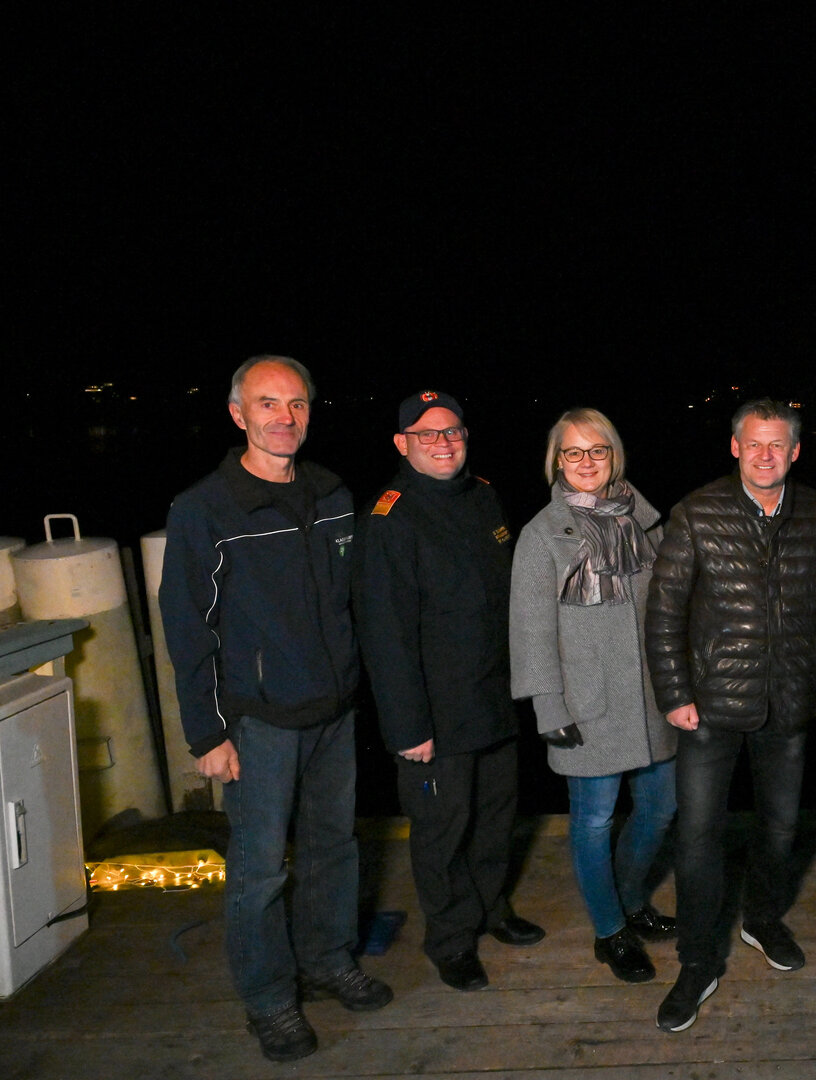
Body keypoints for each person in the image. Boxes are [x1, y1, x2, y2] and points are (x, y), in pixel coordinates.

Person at [160, 356, 392, 1063]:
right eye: (267, 404)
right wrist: (206, 731)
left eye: (295, 404)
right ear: (238, 415)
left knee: (334, 847)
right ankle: (269, 999)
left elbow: (353, 599)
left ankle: (326, 957)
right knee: (259, 870)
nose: (283, 417)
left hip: (332, 710)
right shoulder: (204, 509)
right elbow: (186, 624)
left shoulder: (331, 493)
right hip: (257, 721)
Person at [645, 398, 816, 1033]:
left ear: (795, 451)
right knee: (699, 836)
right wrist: (675, 693)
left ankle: (762, 919)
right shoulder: (697, 512)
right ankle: (697, 960)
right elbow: (664, 615)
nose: (766, 455)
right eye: (754, 443)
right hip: (708, 707)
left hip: (789, 704)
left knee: (781, 827)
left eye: (778, 445)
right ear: (735, 447)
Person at [354, 390, 544, 995]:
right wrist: (408, 729)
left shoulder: (483, 496)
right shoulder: (390, 518)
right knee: (441, 833)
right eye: (427, 434)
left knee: (495, 821)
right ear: (401, 444)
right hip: (436, 716)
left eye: (453, 432)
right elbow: (385, 635)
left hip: (494, 701)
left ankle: (491, 910)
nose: (444, 443)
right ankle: (451, 940)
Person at [509, 407, 678, 984]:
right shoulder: (541, 536)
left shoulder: (643, 521)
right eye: (572, 452)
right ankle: (610, 932)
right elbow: (530, 630)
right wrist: (548, 706)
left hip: (652, 699)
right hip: (586, 702)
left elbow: (668, 610)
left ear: (615, 457)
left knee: (660, 808)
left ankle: (630, 900)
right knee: (595, 821)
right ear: (556, 461)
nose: (585, 463)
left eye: (597, 451)